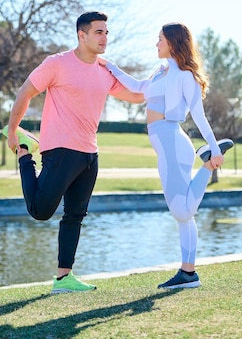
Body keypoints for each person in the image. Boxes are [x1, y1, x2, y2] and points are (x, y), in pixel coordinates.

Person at [4, 11, 144, 294]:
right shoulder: (57, 64)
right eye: (98, 32)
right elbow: (25, 92)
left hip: (89, 154)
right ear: (82, 35)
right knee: (41, 211)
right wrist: (12, 130)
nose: (104, 37)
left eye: (106, 32)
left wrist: (165, 77)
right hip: (61, 149)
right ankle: (25, 156)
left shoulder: (105, 71)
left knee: (75, 215)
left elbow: (138, 95)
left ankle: (63, 277)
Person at [99, 22, 234, 289]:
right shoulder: (160, 73)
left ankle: (207, 164)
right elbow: (137, 88)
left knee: (182, 211)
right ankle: (188, 273)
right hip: (166, 146)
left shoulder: (185, 75)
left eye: (160, 39)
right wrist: (110, 66)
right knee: (183, 214)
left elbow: (198, 114)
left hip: (173, 142)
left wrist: (215, 148)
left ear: (173, 42)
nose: (156, 44)